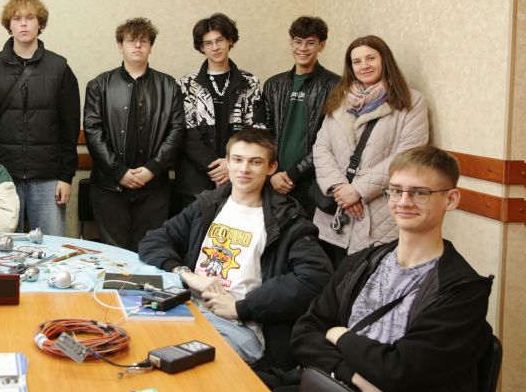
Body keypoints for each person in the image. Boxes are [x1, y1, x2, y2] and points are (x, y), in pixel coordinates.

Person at [292, 146, 493, 392]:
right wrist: (356, 377)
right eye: (396, 191)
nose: (403, 202)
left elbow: (399, 375)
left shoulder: (463, 291)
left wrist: (340, 335)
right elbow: (304, 335)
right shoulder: (361, 263)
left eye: (420, 193)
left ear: (450, 199)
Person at [139, 128, 332, 370]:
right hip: (190, 309)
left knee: (169, 362)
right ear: (227, 162)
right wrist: (187, 275)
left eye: (255, 162)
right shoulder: (209, 204)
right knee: (135, 335)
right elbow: (153, 241)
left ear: (271, 167)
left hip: (241, 327)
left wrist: (242, 308)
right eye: (238, 160)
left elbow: (316, 277)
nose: (244, 169)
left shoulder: (287, 220)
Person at [0, 0, 80, 236]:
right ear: (8, 24)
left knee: (50, 247)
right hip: (1, 176)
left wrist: (66, 176)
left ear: (40, 23)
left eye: (30, 17)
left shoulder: (60, 68)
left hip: (48, 178)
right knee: (2, 248)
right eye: (17, 18)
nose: (23, 23)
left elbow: (70, 127)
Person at [311, 35, 428, 262]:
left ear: (384, 60)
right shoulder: (339, 98)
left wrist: (359, 190)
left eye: (370, 58)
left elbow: (407, 156)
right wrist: (340, 188)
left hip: (379, 212)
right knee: (334, 277)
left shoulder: (411, 101)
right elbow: (321, 147)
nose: (364, 66)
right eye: (357, 61)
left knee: (370, 276)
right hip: (337, 210)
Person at [84, 17, 184, 251]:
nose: (137, 45)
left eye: (143, 40)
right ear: (120, 46)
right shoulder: (99, 85)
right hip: (109, 187)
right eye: (131, 40)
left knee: (149, 251)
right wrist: (118, 171)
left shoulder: (169, 86)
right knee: (114, 253)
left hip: (154, 187)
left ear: (151, 47)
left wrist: (154, 168)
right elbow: (92, 130)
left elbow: (177, 130)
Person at [177, 13, 263, 208]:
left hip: (239, 176)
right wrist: (217, 166)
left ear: (230, 41)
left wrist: (230, 164)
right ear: (201, 47)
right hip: (195, 180)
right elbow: (186, 133)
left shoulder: (250, 83)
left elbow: (256, 130)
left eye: (219, 40)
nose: (215, 47)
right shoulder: (188, 83)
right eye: (208, 43)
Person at [261, 16, 340, 220]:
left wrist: (293, 174)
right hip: (274, 182)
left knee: (308, 238)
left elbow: (332, 141)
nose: (303, 48)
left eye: (310, 42)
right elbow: (264, 134)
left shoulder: (336, 86)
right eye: (298, 41)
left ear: (322, 45)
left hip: (312, 184)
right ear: (291, 43)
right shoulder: (273, 85)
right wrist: (272, 174)